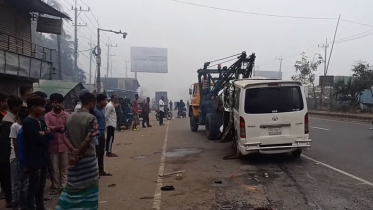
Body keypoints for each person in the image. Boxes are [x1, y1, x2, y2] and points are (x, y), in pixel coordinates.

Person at [56, 92, 99, 210]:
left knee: (72, 187)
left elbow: (65, 136)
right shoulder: (91, 118)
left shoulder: (70, 117)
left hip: (73, 159)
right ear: (91, 103)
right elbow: (88, 138)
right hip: (88, 160)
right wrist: (79, 153)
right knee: (90, 189)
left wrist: (73, 151)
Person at [23, 95, 52, 210]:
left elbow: (50, 135)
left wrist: (44, 133)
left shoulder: (40, 120)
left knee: (41, 186)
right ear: (33, 107)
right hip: (34, 159)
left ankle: (40, 206)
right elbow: (37, 139)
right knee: (33, 186)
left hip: (43, 157)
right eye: (41, 106)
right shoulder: (28, 122)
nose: (44, 109)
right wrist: (45, 134)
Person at [44, 93, 70, 195]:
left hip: (64, 144)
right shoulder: (47, 115)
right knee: (54, 168)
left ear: (62, 103)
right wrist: (57, 128)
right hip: (52, 144)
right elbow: (47, 127)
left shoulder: (66, 115)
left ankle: (63, 186)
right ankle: (56, 186)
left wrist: (53, 128)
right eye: (55, 102)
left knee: (64, 167)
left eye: (59, 102)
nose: (57, 105)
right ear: (52, 103)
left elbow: (68, 128)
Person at [0, 96, 23, 208]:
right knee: (9, 179)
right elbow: (6, 143)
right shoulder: (8, 123)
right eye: (19, 106)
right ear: (14, 107)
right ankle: (11, 200)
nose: (21, 108)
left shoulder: (12, 118)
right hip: (8, 155)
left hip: (10, 154)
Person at [9, 107, 28, 210]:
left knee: (23, 182)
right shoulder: (15, 126)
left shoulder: (27, 126)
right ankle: (15, 202)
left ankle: (22, 202)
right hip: (16, 157)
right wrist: (18, 157)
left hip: (23, 156)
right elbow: (15, 143)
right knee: (16, 182)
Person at [93, 94, 111, 176]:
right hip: (96, 135)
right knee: (95, 154)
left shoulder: (102, 110)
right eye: (105, 100)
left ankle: (101, 170)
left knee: (101, 153)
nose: (106, 102)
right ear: (100, 101)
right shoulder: (94, 111)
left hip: (102, 134)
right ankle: (94, 172)